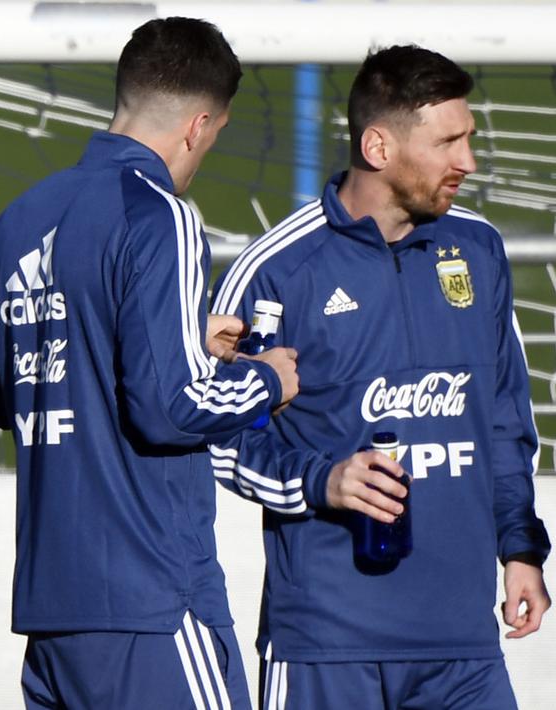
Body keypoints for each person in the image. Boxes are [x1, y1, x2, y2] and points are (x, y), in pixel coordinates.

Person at [210, 45, 550, 709]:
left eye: (468, 139)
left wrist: (520, 549)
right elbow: (216, 438)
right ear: (377, 146)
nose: (467, 162)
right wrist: (322, 480)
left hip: (464, 651)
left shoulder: (478, 249)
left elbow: (504, 421)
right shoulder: (276, 269)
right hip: (326, 645)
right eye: (447, 142)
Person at [0, 17, 300, 710]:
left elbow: (9, 392)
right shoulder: (161, 214)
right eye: (213, 136)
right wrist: (264, 379)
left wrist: (181, 338)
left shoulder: (21, 216)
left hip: (52, 611)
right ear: (199, 125)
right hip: (149, 598)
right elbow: (168, 410)